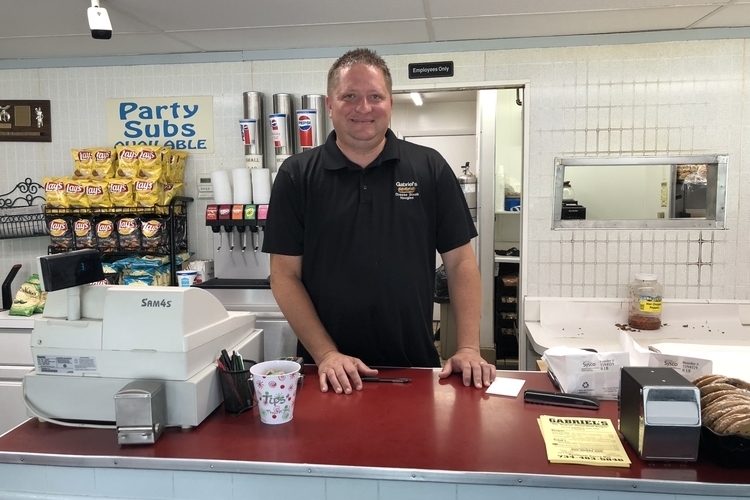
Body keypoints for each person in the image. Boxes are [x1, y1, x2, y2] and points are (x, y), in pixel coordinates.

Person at [262, 48, 496, 394]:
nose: (363, 108)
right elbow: (284, 275)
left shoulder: (429, 168)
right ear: (330, 104)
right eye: (349, 96)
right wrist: (327, 353)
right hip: (328, 373)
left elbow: (461, 263)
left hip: (414, 368)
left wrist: (468, 348)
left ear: (391, 102)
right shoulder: (297, 176)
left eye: (375, 96)